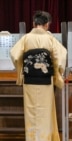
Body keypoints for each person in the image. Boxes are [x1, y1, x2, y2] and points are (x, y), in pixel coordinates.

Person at [10, 10, 67, 141]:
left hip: (29, 80)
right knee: (45, 112)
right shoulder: (50, 39)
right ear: (47, 24)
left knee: (31, 112)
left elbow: (14, 54)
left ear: (34, 24)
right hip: (45, 80)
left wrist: (21, 69)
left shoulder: (25, 38)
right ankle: (44, 138)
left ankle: (31, 138)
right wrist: (58, 72)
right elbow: (61, 56)